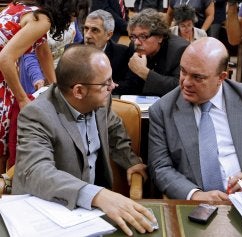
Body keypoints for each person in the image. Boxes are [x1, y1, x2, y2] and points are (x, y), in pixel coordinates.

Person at [12, 45, 157, 236]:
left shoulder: (101, 100)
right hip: (49, 211)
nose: (113, 87)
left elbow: (113, 128)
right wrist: (96, 194)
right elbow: (37, 171)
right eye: (106, 83)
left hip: (90, 216)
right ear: (79, 91)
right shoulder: (37, 114)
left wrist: (130, 162)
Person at [148, 37, 242, 201]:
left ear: (221, 77)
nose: (186, 83)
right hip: (197, 206)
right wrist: (195, 195)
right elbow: (160, 168)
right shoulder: (162, 110)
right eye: (183, 71)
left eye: (198, 77)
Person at [0, 0, 90, 171]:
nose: (74, 19)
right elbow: (4, 59)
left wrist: (55, 86)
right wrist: (22, 99)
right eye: (75, 13)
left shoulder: (24, 7)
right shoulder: (42, 19)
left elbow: (42, 50)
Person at [117, 9, 189, 96]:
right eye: (133, 36)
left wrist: (144, 72)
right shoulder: (134, 46)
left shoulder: (180, 49)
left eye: (143, 36)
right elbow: (130, 83)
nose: (136, 42)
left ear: (160, 37)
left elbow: (179, 86)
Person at [19, 20, 84, 94]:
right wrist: (37, 78)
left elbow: (77, 41)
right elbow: (29, 53)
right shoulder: (39, 20)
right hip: (37, 73)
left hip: (62, 74)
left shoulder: (71, 16)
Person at [84, 9, 130, 90]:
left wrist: (104, 87)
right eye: (86, 29)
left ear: (109, 35)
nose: (87, 35)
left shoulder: (122, 53)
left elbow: (128, 85)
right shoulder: (71, 51)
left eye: (95, 30)